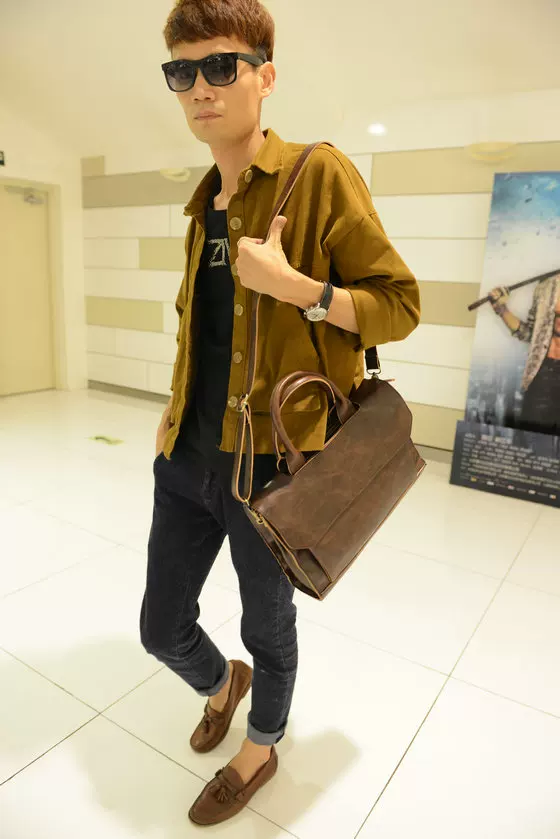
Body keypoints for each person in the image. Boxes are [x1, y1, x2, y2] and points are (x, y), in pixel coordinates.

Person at [139, 0, 420, 826]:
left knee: (268, 623)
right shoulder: (202, 204)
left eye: (219, 66)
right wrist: (172, 418)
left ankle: (260, 746)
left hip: (272, 466)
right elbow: (201, 328)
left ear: (265, 76)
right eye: (182, 71)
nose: (200, 87)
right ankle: (220, 682)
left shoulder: (317, 174)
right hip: (188, 456)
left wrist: (298, 288)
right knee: (161, 626)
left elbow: (400, 305)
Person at [489, 272, 560, 435]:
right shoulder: (546, 287)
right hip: (543, 374)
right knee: (533, 439)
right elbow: (530, 334)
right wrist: (501, 309)